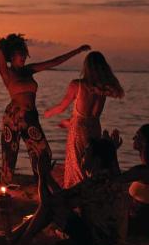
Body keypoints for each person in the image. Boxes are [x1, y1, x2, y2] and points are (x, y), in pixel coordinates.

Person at [0, 33, 90, 183]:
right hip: (13, 116)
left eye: (24, 54)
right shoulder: (7, 73)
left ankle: (41, 183)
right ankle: (5, 187)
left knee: (43, 152)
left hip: (31, 116)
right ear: (12, 56)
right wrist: (5, 43)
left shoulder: (29, 70)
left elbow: (54, 62)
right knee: (10, 153)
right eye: (21, 54)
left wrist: (77, 51)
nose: (24, 57)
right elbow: (0, 48)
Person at [10, 137, 128, 245]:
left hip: (101, 243)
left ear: (96, 161)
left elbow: (49, 202)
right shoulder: (106, 178)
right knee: (56, 207)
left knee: (53, 208)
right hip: (106, 238)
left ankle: (20, 241)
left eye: (86, 152)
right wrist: (47, 177)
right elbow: (62, 197)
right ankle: (15, 237)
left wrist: (42, 175)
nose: (82, 155)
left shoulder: (96, 182)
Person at [44, 51, 125, 187]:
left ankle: (76, 192)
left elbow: (62, 107)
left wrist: (48, 113)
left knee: (76, 164)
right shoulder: (103, 89)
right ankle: (89, 189)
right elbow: (87, 117)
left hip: (78, 130)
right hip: (94, 128)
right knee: (90, 161)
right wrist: (68, 123)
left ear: (86, 67)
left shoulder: (78, 85)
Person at [116, 124, 149, 238]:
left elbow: (115, 179)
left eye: (137, 135)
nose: (133, 138)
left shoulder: (143, 171)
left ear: (145, 142)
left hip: (139, 227)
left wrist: (113, 149)